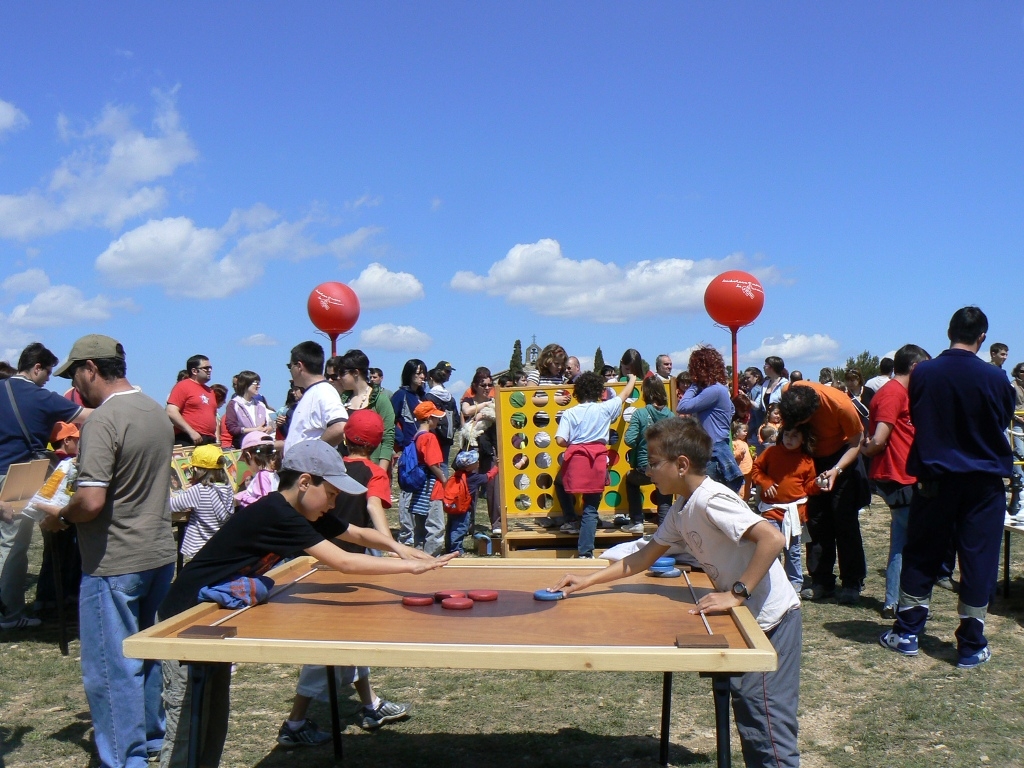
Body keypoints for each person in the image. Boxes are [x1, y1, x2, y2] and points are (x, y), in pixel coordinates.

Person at [157, 440, 457, 765]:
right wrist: (411, 567)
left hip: (211, 621)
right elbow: (346, 562)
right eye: (331, 493)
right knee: (188, 733)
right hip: (184, 623)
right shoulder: (277, 513)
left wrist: (399, 548)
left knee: (213, 724)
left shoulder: (304, 510)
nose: (334, 501)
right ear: (304, 482)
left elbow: (356, 534)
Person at [550, 417, 800, 768]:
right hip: (751, 621)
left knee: (767, 729)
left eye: (653, 463)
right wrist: (587, 580)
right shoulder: (682, 508)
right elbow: (644, 556)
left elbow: (771, 538)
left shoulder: (711, 499)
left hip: (774, 620)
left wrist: (738, 592)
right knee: (750, 713)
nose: (648, 471)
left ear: (681, 465)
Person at [45, 334, 177, 766]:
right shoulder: (155, 412)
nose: (75, 387)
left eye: (75, 375)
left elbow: (93, 500)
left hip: (112, 560)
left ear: (90, 368)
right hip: (157, 552)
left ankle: (125, 757)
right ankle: (152, 738)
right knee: (148, 656)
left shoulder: (103, 421)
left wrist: (60, 516)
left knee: (109, 667)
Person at [279, 411, 425, 747]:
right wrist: (395, 550)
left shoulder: (330, 468)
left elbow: (357, 526)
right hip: (338, 565)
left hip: (328, 562)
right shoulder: (371, 472)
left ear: (346, 438)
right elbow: (373, 508)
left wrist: (391, 547)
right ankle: (295, 721)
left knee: (353, 638)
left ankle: (370, 704)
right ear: (378, 443)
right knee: (326, 649)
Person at [880, 307, 1014, 669]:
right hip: (983, 482)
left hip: (935, 479)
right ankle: (971, 644)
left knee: (923, 552)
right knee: (978, 560)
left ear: (949, 331)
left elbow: (922, 414)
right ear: (982, 337)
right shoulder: (997, 378)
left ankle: (907, 632)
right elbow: (1001, 421)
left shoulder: (924, 373)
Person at [0, 342, 88, 630]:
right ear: (37, 368)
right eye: (47, 373)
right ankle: (9, 614)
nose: (47, 380)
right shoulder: (40, 397)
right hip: (19, 476)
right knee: (13, 546)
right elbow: (88, 417)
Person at [779, 377, 868, 604]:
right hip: (811, 460)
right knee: (816, 522)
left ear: (814, 411)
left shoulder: (840, 405)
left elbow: (857, 442)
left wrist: (836, 470)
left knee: (845, 523)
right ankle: (821, 580)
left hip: (841, 459)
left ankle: (852, 582)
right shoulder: (790, 391)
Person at [860, 344, 930, 618]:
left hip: (901, 476)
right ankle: (906, 602)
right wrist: (867, 448)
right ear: (914, 367)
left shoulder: (897, 392)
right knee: (912, 544)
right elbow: (879, 438)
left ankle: (894, 601)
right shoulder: (893, 393)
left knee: (902, 541)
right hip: (900, 477)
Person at [555, 371, 636, 557]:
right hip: (597, 460)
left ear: (578, 392)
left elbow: (560, 440)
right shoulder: (605, 409)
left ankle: (570, 519)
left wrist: (575, 442)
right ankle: (585, 553)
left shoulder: (569, 413)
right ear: (599, 392)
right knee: (590, 508)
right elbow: (623, 396)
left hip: (576, 460)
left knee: (560, 484)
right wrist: (631, 379)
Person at [751, 424, 820, 593]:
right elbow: (755, 469)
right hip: (771, 509)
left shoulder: (806, 460)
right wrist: (765, 482)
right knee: (771, 547)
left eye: (795, 436)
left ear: (803, 439)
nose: (789, 439)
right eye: (787, 435)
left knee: (793, 550)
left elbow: (809, 486)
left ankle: (795, 583)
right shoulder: (771, 453)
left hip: (794, 513)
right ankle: (773, 581)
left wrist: (818, 484)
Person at [677, 346, 743, 493]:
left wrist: (694, 386)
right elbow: (731, 410)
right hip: (715, 448)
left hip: (714, 452)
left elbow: (683, 406)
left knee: (708, 497)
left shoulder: (714, 390)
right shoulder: (720, 389)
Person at [327, 350, 395, 471]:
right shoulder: (342, 399)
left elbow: (388, 438)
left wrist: (381, 471)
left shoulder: (380, 400)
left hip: (370, 468)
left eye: (342, 372)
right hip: (343, 467)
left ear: (356, 373)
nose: (338, 377)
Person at [622, 375, 673, 533]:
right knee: (664, 493)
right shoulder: (671, 416)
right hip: (665, 464)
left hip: (645, 465)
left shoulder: (640, 414)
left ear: (645, 393)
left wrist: (641, 443)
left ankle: (637, 521)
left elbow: (629, 440)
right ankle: (664, 531)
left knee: (631, 481)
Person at [169, 444, 235, 564]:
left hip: (199, 548)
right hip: (219, 544)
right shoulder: (227, 488)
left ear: (195, 469)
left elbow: (171, 505)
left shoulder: (199, 490)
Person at [398, 402, 448, 554]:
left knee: (420, 526)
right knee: (436, 526)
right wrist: (444, 479)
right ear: (428, 418)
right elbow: (433, 463)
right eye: (435, 417)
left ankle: (418, 554)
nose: (438, 421)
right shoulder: (429, 438)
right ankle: (431, 558)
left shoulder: (416, 436)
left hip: (419, 488)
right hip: (431, 487)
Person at [284, 341, 348, 453]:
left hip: (310, 469)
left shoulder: (323, 391)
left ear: (299, 366)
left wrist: (313, 452)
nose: (290, 371)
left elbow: (340, 427)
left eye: (290, 366)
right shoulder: (313, 392)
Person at [460, 367, 500, 535]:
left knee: (493, 488)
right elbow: (466, 412)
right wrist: (484, 407)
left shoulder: (495, 402)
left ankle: (497, 524)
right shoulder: (468, 400)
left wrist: (484, 415)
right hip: (472, 449)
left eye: (490, 384)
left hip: (489, 448)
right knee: (471, 488)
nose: (487, 387)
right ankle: (468, 524)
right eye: (483, 385)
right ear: (475, 386)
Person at [443, 449, 493, 554]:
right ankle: (456, 550)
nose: (478, 462)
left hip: (453, 507)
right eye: (475, 462)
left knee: (451, 527)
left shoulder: (457, 474)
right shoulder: (474, 478)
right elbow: (488, 477)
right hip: (463, 509)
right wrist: (497, 467)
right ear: (468, 467)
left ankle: (449, 547)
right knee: (460, 528)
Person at [166, 355, 217, 445]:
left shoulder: (210, 391)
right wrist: (191, 432)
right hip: (188, 438)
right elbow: (171, 411)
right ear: (194, 371)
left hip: (209, 440)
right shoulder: (183, 386)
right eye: (206, 368)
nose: (209, 370)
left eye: (210, 368)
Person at [424, 360, 460, 469]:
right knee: (444, 465)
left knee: (432, 465)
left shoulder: (429, 396)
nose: (449, 374)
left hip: (434, 435)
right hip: (447, 435)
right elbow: (457, 419)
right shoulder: (450, 397)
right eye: (447, 371)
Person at [224, 370, 273, 448]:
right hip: (243, 446)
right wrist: (254, 429)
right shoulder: (234, 404)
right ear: (245, 384)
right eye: (256, 383)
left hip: (261, 445)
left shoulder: (261, 405)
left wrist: (269, 428)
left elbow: (268, 424)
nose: (258, 386)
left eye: (259, 384)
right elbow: (232, 428)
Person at [234, 432, 279, 508]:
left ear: (248, 456)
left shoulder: (262, 476)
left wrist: (242, 498)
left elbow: (264, 502)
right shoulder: (274, 473)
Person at [1009, 361, 1024, 518]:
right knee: (1019, 451)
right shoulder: (1013, 387)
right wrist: (1019, 418)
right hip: (1017, 422)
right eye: (1022, 371)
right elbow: (1010, 407)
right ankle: (1020, 483)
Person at [742, 367, 766, 451]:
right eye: (745, 378)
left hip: (755, 430)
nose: (745, 380)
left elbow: (755, 410)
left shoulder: (756, 390)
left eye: (748, 378)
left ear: (756, 377)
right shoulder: (752, 390)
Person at [732, 420, 754, 501]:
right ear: (737, 432)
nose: (746, 433)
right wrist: (739, 452)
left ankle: (746, 502)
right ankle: (740, 503)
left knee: (748, 488)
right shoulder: (734, 443)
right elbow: (733, 455)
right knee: (742, 489)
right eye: (744, 431)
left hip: (749, 470)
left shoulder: (744, 443)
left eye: (747, 431)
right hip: (742, 470)